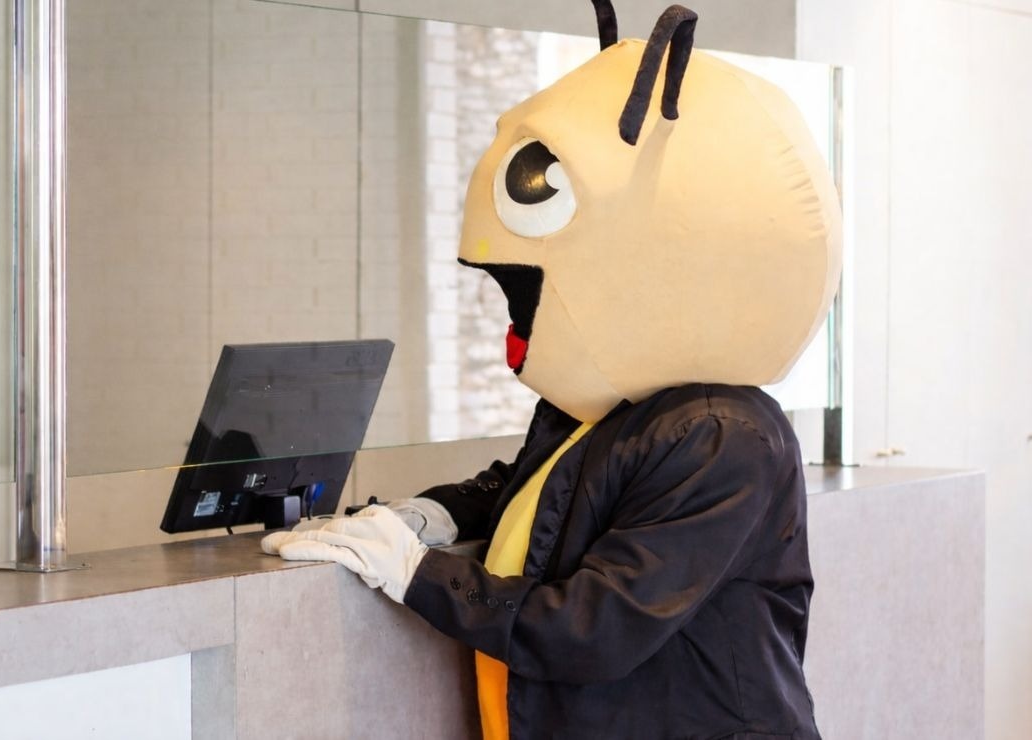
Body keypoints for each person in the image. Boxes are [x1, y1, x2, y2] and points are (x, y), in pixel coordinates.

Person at [264, 3, 841, 737]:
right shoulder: (607, 409)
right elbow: (535, 490)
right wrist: (425, 517)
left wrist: (412, 570)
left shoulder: (719, 437)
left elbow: (592, 629)